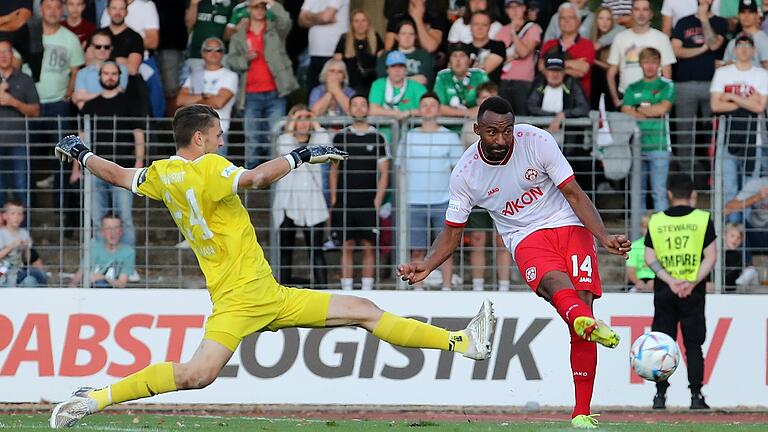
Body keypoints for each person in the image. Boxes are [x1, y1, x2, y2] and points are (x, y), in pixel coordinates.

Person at [49, 104, 496, 428]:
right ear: (200, 139)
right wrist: (301, 156)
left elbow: (118, 174)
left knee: (200, 374)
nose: (223, 140)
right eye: (219, 133)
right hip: (250, 297)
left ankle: (95, 399)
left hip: (244, 298)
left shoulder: (163, 173)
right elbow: (258, 178)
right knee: (199, 374)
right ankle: (462, 343)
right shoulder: (209, 166)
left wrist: (82, 153)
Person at [398, 96, 627, 429]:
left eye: (507, 131)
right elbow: (451, 233)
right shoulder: (466, 174)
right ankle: (581, 321)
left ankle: (581, 412)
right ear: (477, 130)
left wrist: (604, 236)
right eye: (491, 132)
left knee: (581, 311)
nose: (501, 139)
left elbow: (575, 193)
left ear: (515, 127)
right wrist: (428, 264)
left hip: (569, 223)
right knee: (558, 288)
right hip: (525, 235)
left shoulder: (537, 141)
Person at [644, 174, 717, 410]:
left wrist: (671, 281)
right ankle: (696, 396)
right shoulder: (702, 219)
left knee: (662, 345)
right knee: (693, 344)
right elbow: (711, 256)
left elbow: (649, 258)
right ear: (692, 194)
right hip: (692, 292)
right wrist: (691, 281)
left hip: (665, 290)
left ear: (669, 194)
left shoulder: (656, 221)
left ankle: (659, 397)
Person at [398, 92, 464, 290]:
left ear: (438, 109)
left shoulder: (450, 137)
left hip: (443, 200)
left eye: (432, 104)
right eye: (424, 104)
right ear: (419, 109)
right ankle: (416, 287)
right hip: (413, 201)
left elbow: (457, 171)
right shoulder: (408, 137)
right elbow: (400, 169)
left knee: (444, 249)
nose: (428, 108)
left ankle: (446, 287)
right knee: (416, 249)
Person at [78, 61, 145, 247]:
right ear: (100, 76)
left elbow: (138, 134)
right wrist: (77, 169)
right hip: (94, 168)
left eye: (114, 73)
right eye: (106, 73)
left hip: (123, 168)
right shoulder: (90, 105)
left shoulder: (130, 102)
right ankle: (102, 264)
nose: (110, 77)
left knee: (125, 215)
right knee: (97, 217)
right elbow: (82, 139)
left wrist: (139, 162)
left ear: (119, 76)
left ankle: (127, 264)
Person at [227, 0, 298, 168]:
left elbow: (286, 21)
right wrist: (245, 59)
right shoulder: (239, 34)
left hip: (275, 92)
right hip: (250, 94)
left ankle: (273, 180)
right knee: (252, 139)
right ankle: (252, 182)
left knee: (275, 137)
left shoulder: (275, 29)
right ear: (248, 10)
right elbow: (231, 60)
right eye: (255, 6)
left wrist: (270, 2)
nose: (259, 9)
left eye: (262, 6)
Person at [330, 95, 390, 291]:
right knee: (346, 245)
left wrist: (378, 200)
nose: (358, 108)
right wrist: (334, 198)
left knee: (368, 246)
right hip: (345, 201)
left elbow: (384, 172)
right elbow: (334, 170)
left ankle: (367, 290)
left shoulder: (378, 137)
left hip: (368, 202)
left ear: (368, 109)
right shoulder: (340, 137)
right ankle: (346, 289)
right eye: (354, 104)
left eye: (362, 104)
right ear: (349, 109)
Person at [460, 82, 514, 292]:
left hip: (505, 190)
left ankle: (504, 286)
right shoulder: (469, 127)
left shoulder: (508, 128)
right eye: (482, 97)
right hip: (478, 190)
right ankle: (478, 286)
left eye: (490, 96)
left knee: (503, 239)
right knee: (478, 239)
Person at [709, 34, 768, 223]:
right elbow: (716, 106)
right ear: (734, 50)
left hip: (754, 139)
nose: (743, 49)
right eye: (739, 45)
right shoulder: (723, 73)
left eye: (747, 46)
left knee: (749, 188)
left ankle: (746, 233)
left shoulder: (762, 75)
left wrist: (732, 97)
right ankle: (732, 230)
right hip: (727, 138)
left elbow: (760, 107)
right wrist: (746, 101)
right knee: (730, 188)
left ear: (754, 51)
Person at [274, 105, 330, 288]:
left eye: (307, 118)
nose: (304, 122)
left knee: (316, 250)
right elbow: (285, 146)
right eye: (299, 118)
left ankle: (323, 290)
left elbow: (326, 143)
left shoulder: (317, 142)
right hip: (287, 204)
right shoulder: (285, 140)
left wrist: (315, 121)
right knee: (285, 250)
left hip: (313, 204)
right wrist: (293, 123)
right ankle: (283, 290)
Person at [670, 0, 727, 176]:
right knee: (684, 132)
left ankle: (713, 176)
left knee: (712, 132)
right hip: (684, 84)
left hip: (713, 85)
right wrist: (702, 49)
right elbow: (676, 51)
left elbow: (714, 44)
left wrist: (704, 20)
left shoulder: (719, 22)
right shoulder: (683, 22)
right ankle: (686, 177)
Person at [620, 47, 675, 211]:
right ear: (640, 64)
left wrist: (637, 108)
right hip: (636, 146)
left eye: (653, 62)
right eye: (646, 62)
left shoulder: (667, 85)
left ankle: (662, 234)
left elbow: (662, 109)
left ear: (659, 64)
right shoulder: (632, 87)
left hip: (660, 145)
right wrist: (650, 109)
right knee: (638, 192)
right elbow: (625, 110)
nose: (650, 66)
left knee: (659, 192)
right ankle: (639, 234)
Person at [606, 0, 676, 108]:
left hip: (654, 98)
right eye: (637, 9)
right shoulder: (620, 38)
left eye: (645, 9)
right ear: (631, 13)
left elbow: (667, 72)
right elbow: (611, 73)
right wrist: (616, 100)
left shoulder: (662, 38)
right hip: (627, 97)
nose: (641, 13)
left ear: (651, 14)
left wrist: (664, 99)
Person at [177, 36, 238, 155]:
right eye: (209, 49)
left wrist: (193, 100)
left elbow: (219, 102)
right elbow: (180, 100)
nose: (213, 53)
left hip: (218, 132)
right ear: (202, 53)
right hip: (194, 132)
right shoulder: (195, 74)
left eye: (218, 50)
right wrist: (206, 96)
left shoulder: (230, 76)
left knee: (216, 171)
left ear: (223, 54)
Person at [0, 39, 39, 209]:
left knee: (21, 189)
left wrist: (13, 102)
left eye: (6, 51)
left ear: (12, 55)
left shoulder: (25, 79)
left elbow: (35, 111)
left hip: (18, 144)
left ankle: (23, 232)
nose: (3, 56)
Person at [494, 0, 542, 116]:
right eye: (511, 7)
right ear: (506, 11)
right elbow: (497, 58)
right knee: (504, 117)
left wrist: (514, 33)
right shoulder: (501, 30)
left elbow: (524, 52)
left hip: (524, 80)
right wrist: (515, 56)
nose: (515, 10)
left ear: (524, 8)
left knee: (523, 116)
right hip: (504, 80)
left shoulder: (533, 28)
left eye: (518, 6)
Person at [539, 2, 596, 99]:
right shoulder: (549, 44)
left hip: (578, 99)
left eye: (571, 18)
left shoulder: (587, 44)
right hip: (549, 97)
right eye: (562, 18)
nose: (566, 21)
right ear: (558, 21)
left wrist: (554, 65)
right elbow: (541, 66)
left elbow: (583, 69)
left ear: (578, 21)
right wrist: (572, 65)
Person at [527, 53, 590, 135]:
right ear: (545, 72)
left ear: (564, 72)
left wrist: (564, 114)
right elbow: (530, 106)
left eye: (558, 71)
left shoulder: (572, 84)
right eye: (551, 70)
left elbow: (584, 108)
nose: (555, 74)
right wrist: (556, 116)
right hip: (539, 135)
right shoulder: (539, 83)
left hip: (567, 136)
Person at [68, 213, 136, 289]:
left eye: (116, 228)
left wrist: (103, 278)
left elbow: (121, 284)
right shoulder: (94, 248)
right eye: (108, 228)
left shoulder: (128, 252)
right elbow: (79, 274)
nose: (112, 233)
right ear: (102, 232)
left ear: (121, 231)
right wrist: (72, 289)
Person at [299, 0, 350, 92]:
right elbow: (301, 20)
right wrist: (320, 17)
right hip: (314, 53)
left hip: (334, 53)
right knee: (313, 94)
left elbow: (326, 17)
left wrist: (309, 16)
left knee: (333, 92)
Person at [72, 30, 130, 110]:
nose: (102, 50)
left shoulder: (121, 69)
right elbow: (79, 101)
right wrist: (106, 95)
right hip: (91, 119)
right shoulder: (82, 73)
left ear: (111, 48)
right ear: (91, 48)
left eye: (106, 47)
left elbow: (117, 95)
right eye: (98, 46)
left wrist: (87, 96)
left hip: (115, 116)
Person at [333, 9, 383, 93]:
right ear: (351, 24)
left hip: (372, 85)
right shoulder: (344, 39)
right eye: (356, 21)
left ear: (368, 23)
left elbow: (382, 61)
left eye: (363, 20)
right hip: (350, 86)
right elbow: (337, 62)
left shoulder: (375, 37)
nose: (360, 24)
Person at [433, 42, 489, 118]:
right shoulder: (442, 76)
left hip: (475, 123)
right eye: (454, 56)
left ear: (469, 61)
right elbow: (438, 107)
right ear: (449, 61)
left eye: (462, 56)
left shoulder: (479, 75)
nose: (458, 60)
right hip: (448, 125)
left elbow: (488, 104)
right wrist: (468, 112)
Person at [368, 50, 426, 120]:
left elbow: (427, 110)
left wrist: (409, 112)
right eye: (393, 66)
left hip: (410, 130)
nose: (397, 70)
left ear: (405, 69)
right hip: (383, 130)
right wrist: (397, 113)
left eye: (400, 66)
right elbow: (373, 110)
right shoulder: (378, 85)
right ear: (387, 69)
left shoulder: (417, 87)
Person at [0, 201, 46, 287]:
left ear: (23, 217)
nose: (16, 217)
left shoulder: (24, 233)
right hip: (3, 271)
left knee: (32, 280)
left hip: (19, 270)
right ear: (5, 216)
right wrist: (10, 247)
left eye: (19, 214)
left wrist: (26, 249)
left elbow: (27, 260)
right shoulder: (1, 233)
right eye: (13, 214)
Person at [376, 20, 434, 87]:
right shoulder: (386, 56)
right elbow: (382, 81)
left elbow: (424, 80)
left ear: (415, 37)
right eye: (403, 34)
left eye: (411, 34)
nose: (407, 37)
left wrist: (396, 80)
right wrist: (410, 80)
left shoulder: (424, 55)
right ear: (396, 37)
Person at [589, 6, 623, 110]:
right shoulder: (590, 38)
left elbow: (614, 70)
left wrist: (593, 60)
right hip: (595, 86)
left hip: (614, 84)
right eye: (601, 18)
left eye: (608, 19)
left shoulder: (618, 38)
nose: (604, 22)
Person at [717, 0, 768, 68]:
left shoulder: (764, 40)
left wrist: (736, 64)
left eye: (750, 12)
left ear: (756, 15)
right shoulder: (732, 42)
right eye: (743, 12)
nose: (746, 16)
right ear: (738, 15)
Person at [724, 176, 768, 253]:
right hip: (752, 232)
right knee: (735, 216)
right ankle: (746, 263)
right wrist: (756, 197)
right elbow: (727, 209)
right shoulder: (759, 184)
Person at [467, 10, 505, 84]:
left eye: (484, 25)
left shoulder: (498, 46)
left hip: (489, 93)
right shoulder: (464, 48)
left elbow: (479, 74)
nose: (480, 28)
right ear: (470, 26)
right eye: (476, 24)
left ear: (489, 27)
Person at [722, 222, 759, 290]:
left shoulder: (737, 255)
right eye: (732, 236)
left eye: (739, 238)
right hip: (722, 285)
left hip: (732, 285)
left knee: (752, 270)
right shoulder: (717, 252)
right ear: (724, 235)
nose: (735, 240)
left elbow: (733, 275)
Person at [626, 213, 654, 292]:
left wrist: (656, 283)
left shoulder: (663, 245)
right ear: (641, 228)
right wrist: (638, 283)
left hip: (658, 281)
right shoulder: (634, 246)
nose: (648, 231)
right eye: (645, 227)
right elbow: (631, 270)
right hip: (638, 281)